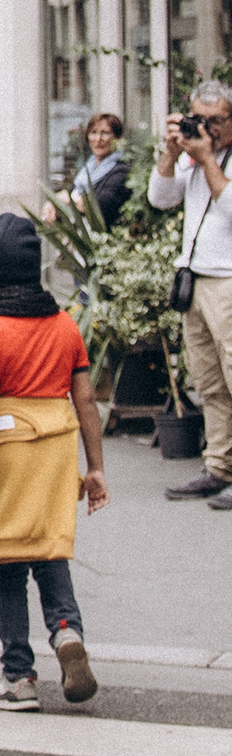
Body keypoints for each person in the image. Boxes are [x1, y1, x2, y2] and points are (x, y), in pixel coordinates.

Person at [0, 209, 104, 712]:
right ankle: (66, 632)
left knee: (7, 565)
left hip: (7, 450)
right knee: (49, 549)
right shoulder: (65, 326)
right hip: (57, 450)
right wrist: (96, 468)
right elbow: (87, 400)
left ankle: (19, 677)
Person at [148, 83, 232, 503]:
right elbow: (160, 198)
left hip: (228, 282)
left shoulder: (210, 157)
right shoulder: (193, 154)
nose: (208, 129)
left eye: (216, 121)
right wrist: (170, 153)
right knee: (210, 382)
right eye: (201, 119)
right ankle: (219, 466)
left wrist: (207, 159)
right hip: (195, 281)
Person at [62, 109, 130, 231]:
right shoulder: (88, 168)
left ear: (117, 138)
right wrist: (52, 204)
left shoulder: (121, 171)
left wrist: (66, 200)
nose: (98, 139)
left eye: (105, 133)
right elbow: (70, 192)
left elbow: (96, 207)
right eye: (93, 132)